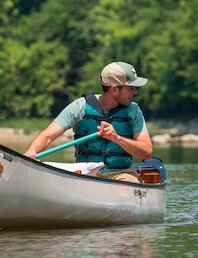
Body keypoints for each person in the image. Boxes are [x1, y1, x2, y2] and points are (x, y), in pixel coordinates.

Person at [24, 61, 153, 182]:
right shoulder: (80, 107)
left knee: (127, 186)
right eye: (130, 88)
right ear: (115, 89)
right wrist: (32, 152)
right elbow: (47, 136)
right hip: (85, 174)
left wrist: (117, 138)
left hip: (121, 174)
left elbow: (146, 152)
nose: (135, 91)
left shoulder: (134, 111)